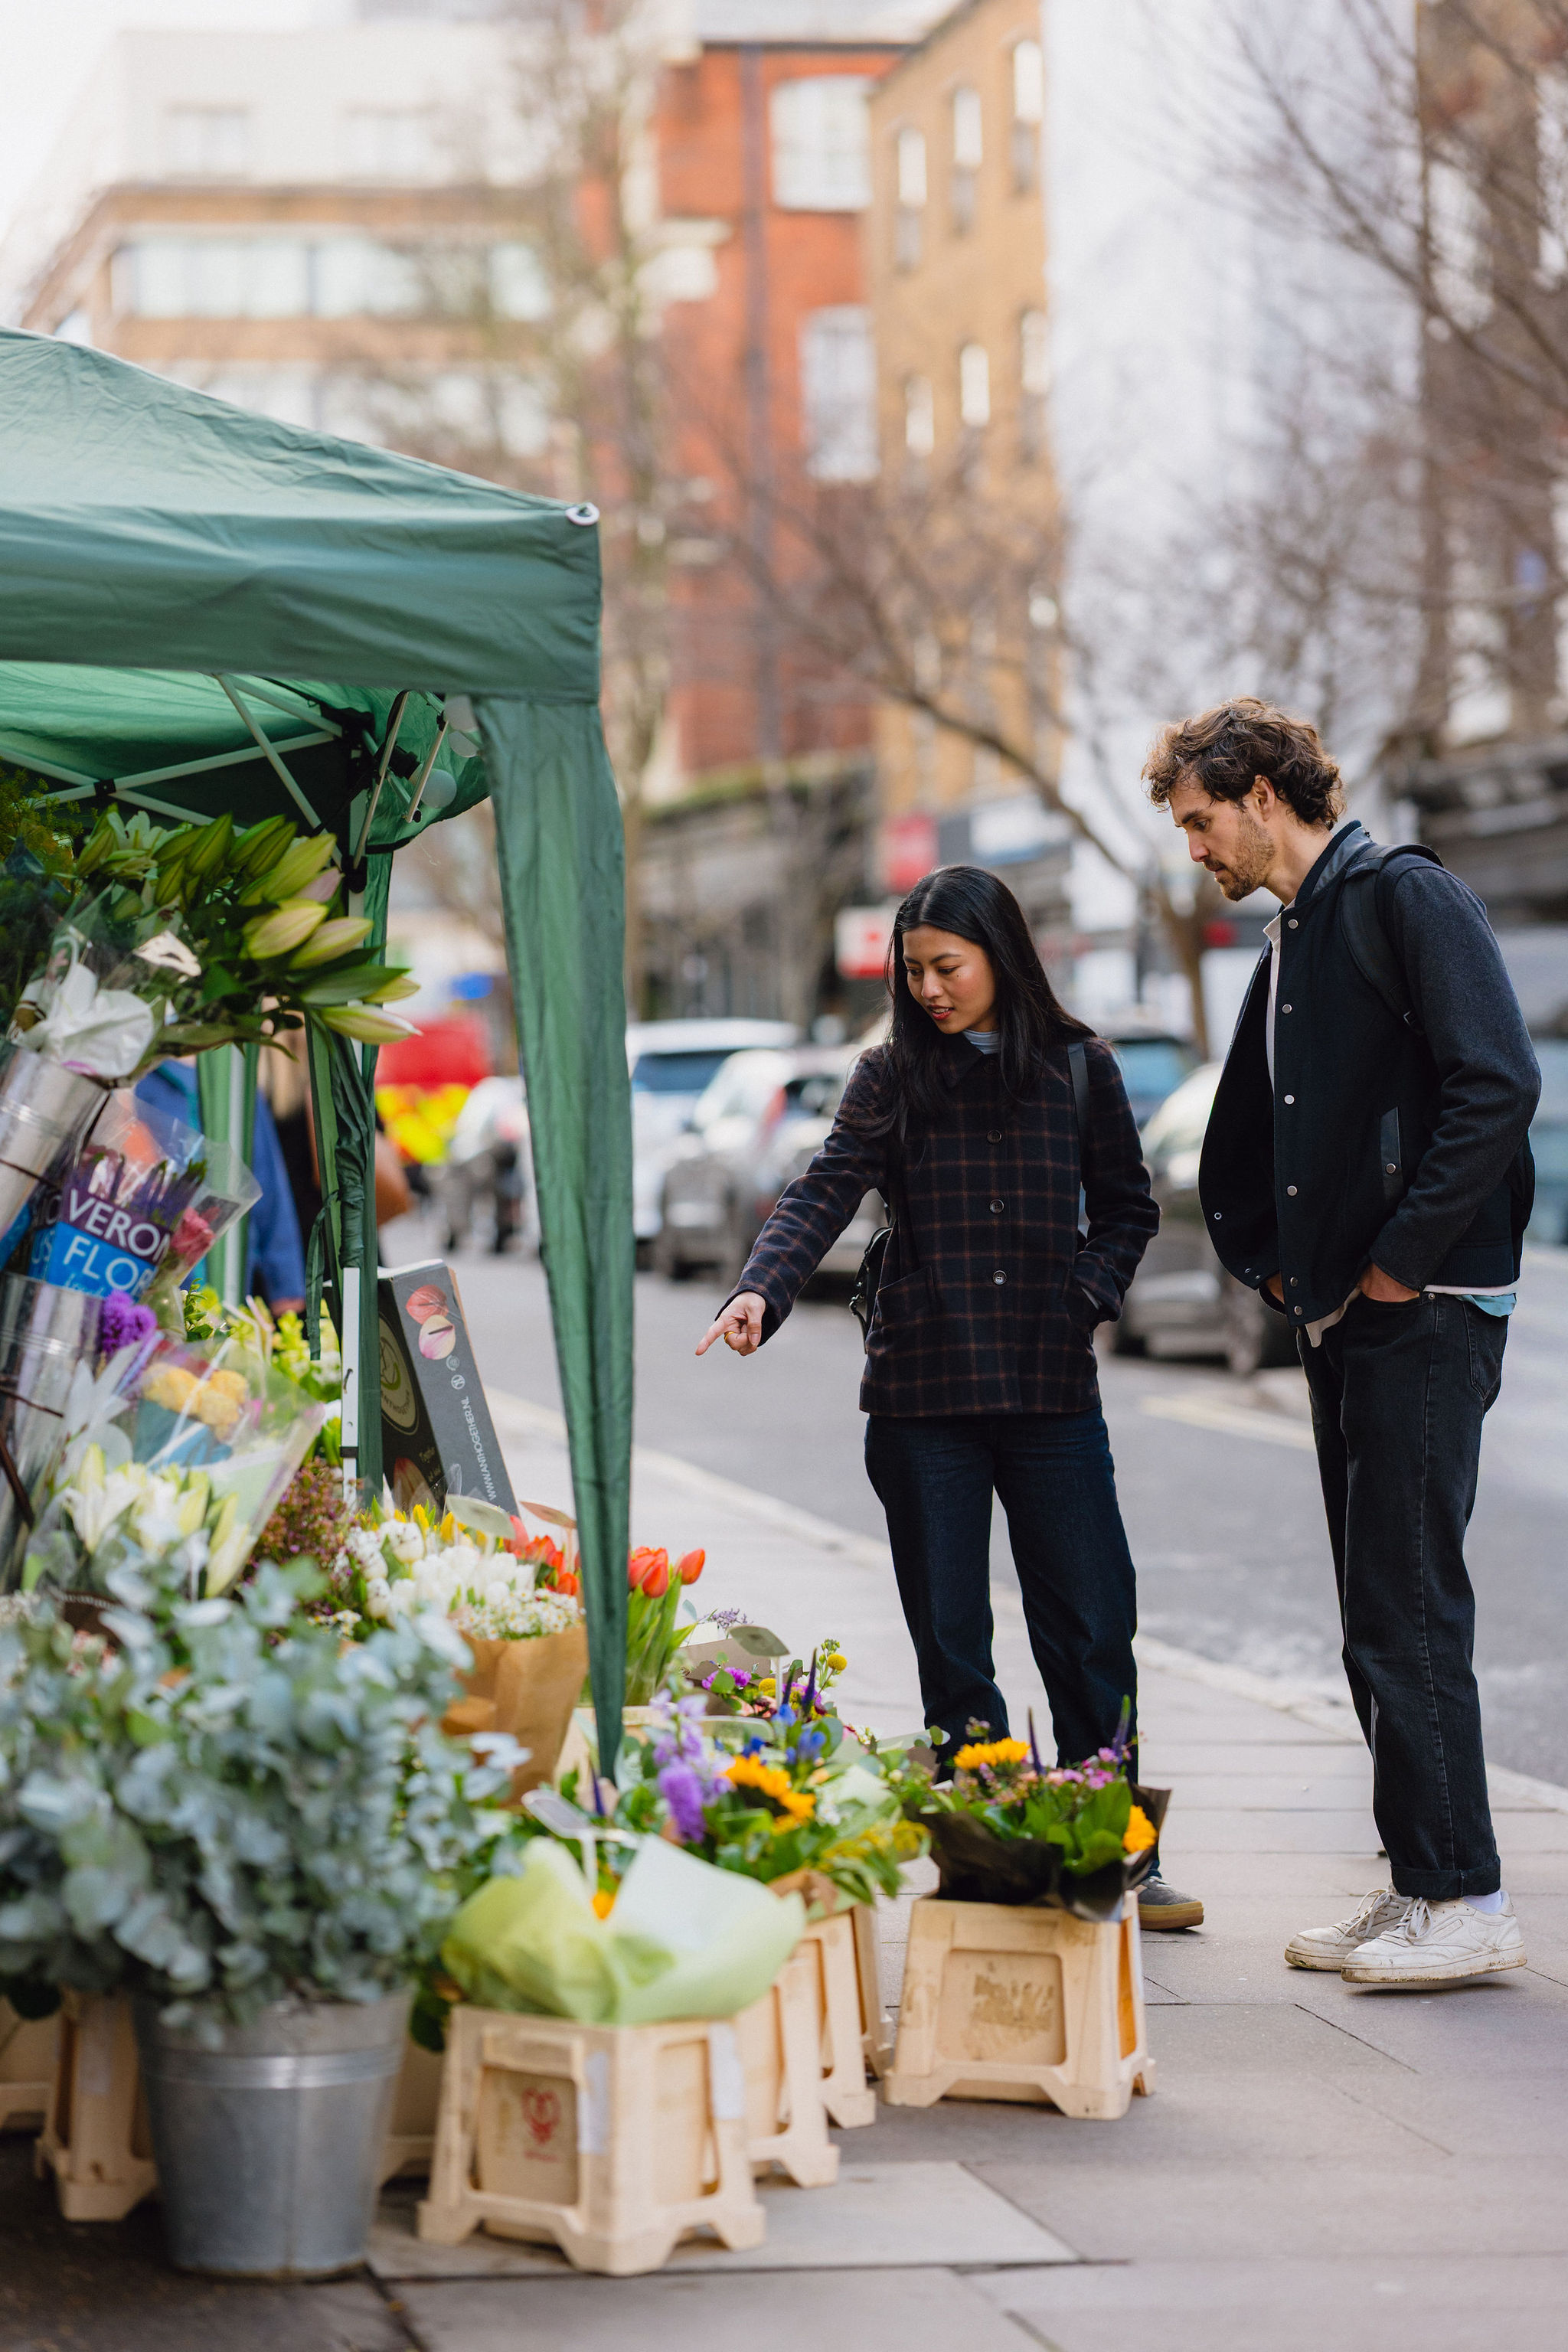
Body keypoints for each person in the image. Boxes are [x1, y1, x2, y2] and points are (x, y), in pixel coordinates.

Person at [696, 864, 1202, 1931]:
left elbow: (1128, 1209)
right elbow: (825, 1185)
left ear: (1001, 957)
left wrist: (1081, 1301)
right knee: (952, 1640)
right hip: (923, 1397)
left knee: (1091, 1625)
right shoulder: (890, 1074)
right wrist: (760, 1289)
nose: (929, 989)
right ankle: (988, 1846)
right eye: (913, 971)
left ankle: (1117, 1850)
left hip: (1051, 1393)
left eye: (948, 968)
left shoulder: (1080, 1068)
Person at [1145, 697, 1539, 1987]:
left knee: (1408, 1606)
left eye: (1201, 820)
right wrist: (1281, 1269)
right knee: (1377, 1611)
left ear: (1263, 795)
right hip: (1351, 1316)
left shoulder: (1404, 897)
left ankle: (1467, 1899)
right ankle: (1422, 1881)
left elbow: (1498, 1083)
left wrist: (1396, 1265)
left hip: (1423, 1310)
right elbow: (1265, 1127)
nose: (1195, 848)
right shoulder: (1299, 932)